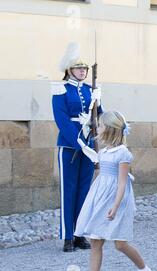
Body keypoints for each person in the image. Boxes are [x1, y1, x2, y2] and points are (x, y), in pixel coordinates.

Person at [71, 111, 154, 271]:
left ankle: (145, 270)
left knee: (120, 244)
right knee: (95, 240)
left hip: (117, 199)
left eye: (100, 125)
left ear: (108, 129)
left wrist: (115, 206)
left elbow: (122, 182)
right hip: (101, 196)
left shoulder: (122, 153)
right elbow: (103, 177)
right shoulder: (104, 151)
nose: (97, 128)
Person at [52, 42, 103, 252]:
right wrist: (80, 144)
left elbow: (99, 116)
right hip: (70, 145)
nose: (83, 71)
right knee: (69, 190)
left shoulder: (92, 90)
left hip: (89, 145)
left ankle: (79, 233)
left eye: (85, 68)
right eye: (79, 68)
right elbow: (62, 120)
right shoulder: (60, 89)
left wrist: (103, 109)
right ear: (69, 70)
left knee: (85, 190)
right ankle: (67, 236)